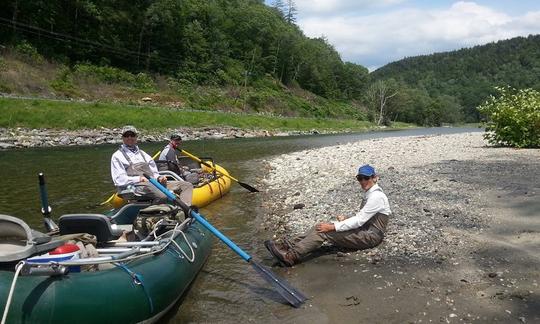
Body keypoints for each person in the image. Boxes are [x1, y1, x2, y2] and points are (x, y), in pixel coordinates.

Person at [264, 164, 391, 267]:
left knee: (323, 232)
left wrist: (332, 227)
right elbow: (364, 217)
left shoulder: (376, 196)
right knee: (320, 226)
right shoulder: (371, 193)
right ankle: (287, 246)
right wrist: (343, 221)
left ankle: (291, 256)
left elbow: (359, 220)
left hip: (371, 236)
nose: (363, 181)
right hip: (365, 231)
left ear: (375, 177)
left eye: (366, 178)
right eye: (360, 178)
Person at [110, 126, 193, 205]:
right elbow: (119, 180)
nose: (129, 138)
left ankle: (186, 210)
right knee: (162, 194)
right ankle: (154, 213)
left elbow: (154, 173)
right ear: (122, 138)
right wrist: (139, 179)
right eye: (126, 135)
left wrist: (159, 178)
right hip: (133, 187)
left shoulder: (143, 154)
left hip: (152, 183)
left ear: (136, 137)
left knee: (186, 186)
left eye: (132, 135)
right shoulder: (117, 156)